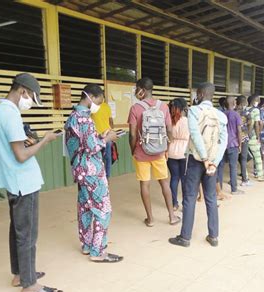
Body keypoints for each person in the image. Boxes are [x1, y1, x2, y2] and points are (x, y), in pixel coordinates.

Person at [0, 73, 62, 292]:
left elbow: (16, 146)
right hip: (23, 182)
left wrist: (29, 138)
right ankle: (29, 285)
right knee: (27, 234)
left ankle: (20, 273)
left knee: (18, 230)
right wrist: (45, 140)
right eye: (31, 96)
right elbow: (21, 155)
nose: (30, 101)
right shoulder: (10, 115)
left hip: (14, 181)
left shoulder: (1, 111)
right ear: (22, 91)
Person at [64, 84, 123, 263]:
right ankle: (97, 251)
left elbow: (81, 143)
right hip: (92, 170)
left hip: (80, 169)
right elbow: (91, 147)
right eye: (99, 100)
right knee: (103, 209)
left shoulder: (72, 117)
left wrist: (100, 136)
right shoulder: (85, 119)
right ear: (90, 96)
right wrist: (108, 138)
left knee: (85, 208)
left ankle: (87, 244)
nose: (99, 104)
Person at [169, 82, 227, 248]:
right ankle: (214, 236)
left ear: (200, 94)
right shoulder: (220, 115)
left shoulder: (193, 111)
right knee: (211, 198)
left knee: (189, 197)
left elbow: (194, 135)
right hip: (212, 163)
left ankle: (185, 237)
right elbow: (223, 142)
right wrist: (213, 162)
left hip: (195, 161)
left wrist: (204, 158)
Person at [128, 77, 180, 227]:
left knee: (145, 184)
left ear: (142, 90)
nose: (135, 91)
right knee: (165, 183)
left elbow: (132, 134)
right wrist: (166, 150)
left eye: (136, 88)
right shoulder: (163, 106)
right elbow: (169, 130)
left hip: (141, 152)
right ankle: (171, 216)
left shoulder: (135, 108)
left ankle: (150, 219)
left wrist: (133, 150)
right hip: (159, 152)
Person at [167, 98, 189, 211]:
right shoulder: (187, 121)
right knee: (185, 179)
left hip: (171, 152)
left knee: (174, 178)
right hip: (184, 152)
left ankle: (174, 203)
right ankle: (185, 203)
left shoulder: (170, 121)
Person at [220, 96, 244, 195]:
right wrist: (240, 144)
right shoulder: (236, 115)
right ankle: (234, 189)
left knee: (220, 167)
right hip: (233, 143)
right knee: (233, 167)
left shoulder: (221, 114)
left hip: (222, 144)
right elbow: (239, 131)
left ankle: (219, 189)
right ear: (234, 103)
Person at [91, 90, 115, 178]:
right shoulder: (93, 107)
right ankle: (101, 177)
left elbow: (110, 121)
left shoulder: (106, 106)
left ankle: (106, 177)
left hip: (106, 136)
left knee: (106, 158)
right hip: (96, 137)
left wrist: (111, 132)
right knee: (101, 158)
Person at [246, 95, 264, 181]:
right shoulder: (256, 110)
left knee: (244, 157)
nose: (259, 102)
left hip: (244, 136)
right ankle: (260, 175)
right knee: (258, 157)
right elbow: (256, 124)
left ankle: (245, 176)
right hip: (252, 136)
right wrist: (258, 137)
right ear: (254, 100)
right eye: (258, 100)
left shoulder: (245, 109)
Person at [236, 95, 251, 186]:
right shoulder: (246, 112)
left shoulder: (232, 112)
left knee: (234, 159)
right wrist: (247, 132)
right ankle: (244, 179)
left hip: (234, 138)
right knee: (244, 158)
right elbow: (250, 122)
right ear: (244, 102)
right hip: (244, 137)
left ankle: (233, 179)